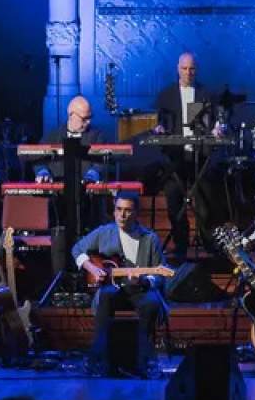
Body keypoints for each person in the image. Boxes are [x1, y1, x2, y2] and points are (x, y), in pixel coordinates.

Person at [73, 193, 167, 375]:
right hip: (113, 288)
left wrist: (144, 280)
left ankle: (142, 360)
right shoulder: (103, 232)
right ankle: (98, 359)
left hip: (140, 289)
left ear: (136, 213)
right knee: (105, 297)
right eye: (119, 210)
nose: (122, 215)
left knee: (152, 303)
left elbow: (160, 273)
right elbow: (77, 249)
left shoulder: (150, 239)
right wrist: (92, 269)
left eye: (127, 210)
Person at [152, 52, 226, 259]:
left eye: (192, 69)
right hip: (174, 159)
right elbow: (158, 123)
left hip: (199, 157)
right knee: (174, 200)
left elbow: (212, 123)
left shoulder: (205, 94)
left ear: (197, 70)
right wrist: (158, 129)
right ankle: (181, 245)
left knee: (205, 202)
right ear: (178, 69)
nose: (188, 72)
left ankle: (209, 245)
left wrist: (216, 130)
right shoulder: (165, 96)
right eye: (184, 68)